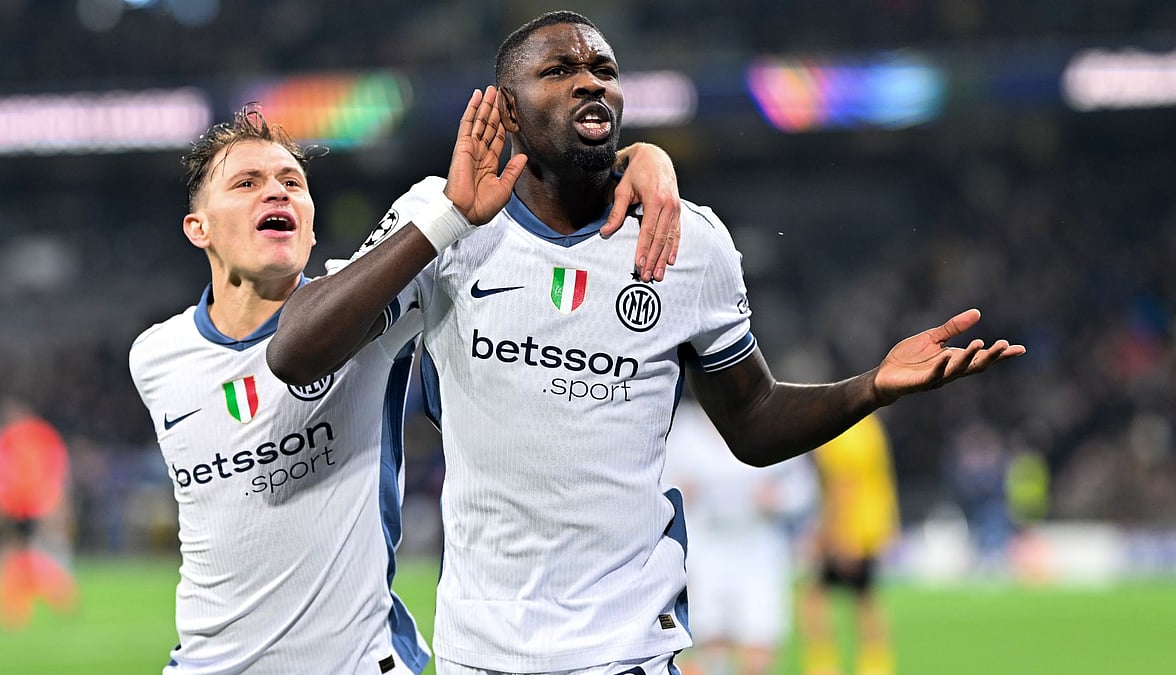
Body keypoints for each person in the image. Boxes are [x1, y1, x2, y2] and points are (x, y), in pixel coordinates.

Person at [267, 10, 1026, 674]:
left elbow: (754, 422)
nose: (590, 82)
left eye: (604, 69)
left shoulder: (688, 242)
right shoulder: (446, 221)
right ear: (505, 108)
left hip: (628, 647)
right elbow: (295, 349)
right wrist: (446, 221)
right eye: (559, 70)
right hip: (480, 647)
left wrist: (872, 386)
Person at [129, 93, 683, 674]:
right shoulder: (156, 358)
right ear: (199, 228)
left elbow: (529, 199)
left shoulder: (370, 306)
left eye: (292, 182)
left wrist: (637, 156)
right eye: (246, 183)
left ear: (312, 226)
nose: (276, 191)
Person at [663, 392, 817, 675]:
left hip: (759, 547)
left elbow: (803, 488)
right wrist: (681, 492)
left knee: (760, 638)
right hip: (706, 545)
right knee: (710, 637)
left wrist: (777, 497)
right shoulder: (684, 429)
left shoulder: (770, 422)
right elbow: (661, 484)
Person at [800, 413, 900, 675]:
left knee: (813, 600)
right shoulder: (870, 427)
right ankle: (876, 666)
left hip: (850, 532)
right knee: (864, 598)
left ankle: (824, 666)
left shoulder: (839, 434)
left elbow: (843, 486)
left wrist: (834, 535)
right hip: (872, 526)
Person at [0, 399, 78, 631]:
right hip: (24, 504)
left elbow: (0, 471)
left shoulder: (29, 436)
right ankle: (45, 598)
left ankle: (41, 599)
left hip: (29, 504)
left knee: (26, 552)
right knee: (25, 552)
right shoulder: (32, 435)